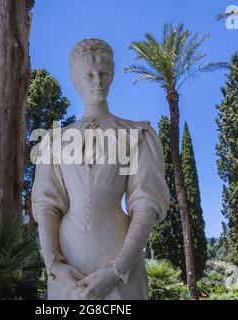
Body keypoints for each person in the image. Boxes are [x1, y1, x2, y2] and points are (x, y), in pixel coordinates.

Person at [32, 39, 170, 300]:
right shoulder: (53, 141)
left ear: (112, 76)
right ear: (76, 80)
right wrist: (54, 264)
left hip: (118, 254)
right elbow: (46, 205)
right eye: (89, 74)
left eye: (104, 73)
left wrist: (117, 269)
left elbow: (145, 205)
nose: (98, 80)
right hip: (68, 262)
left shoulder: (137, 135)